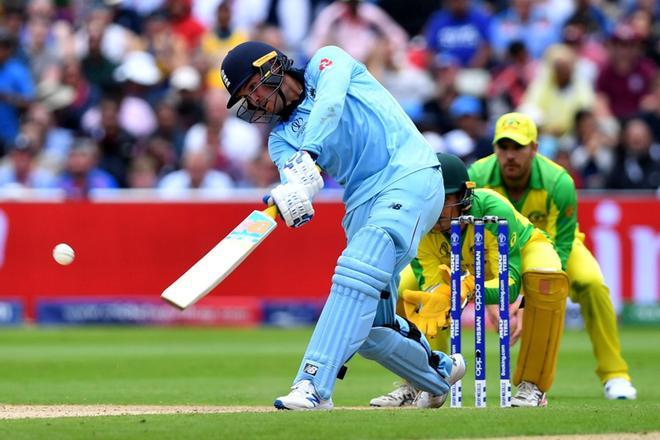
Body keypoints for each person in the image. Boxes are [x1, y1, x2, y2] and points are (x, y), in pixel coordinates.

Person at [220, 41, 464, 410]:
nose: (253, 104)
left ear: (272, 69)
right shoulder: (281, 139)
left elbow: (330, 105)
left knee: (354, 272)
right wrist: (291, 198)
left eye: (252, 90)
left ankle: (312, 385)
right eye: (245, 100)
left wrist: (310, 155)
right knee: (369, 327)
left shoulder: (327, 62)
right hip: (362, 203)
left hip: (408, 173)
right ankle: (437, 372)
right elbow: (301, 185)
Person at [371, 153, 569, 408]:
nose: (434, 208)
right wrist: (442, 297)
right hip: (463, 265)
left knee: (547, 280)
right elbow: (435, 289)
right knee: (404, 289)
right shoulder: (420, 224)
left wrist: (470, 289)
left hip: (524, 249)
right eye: (428, 199)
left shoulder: (493, 211)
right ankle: (424, 379)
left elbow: (509, 284)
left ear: (464, 197)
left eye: (443, 199)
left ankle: (534, 386)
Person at [468, 112, 637, 400]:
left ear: (534, 148)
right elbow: (474, 243)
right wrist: (493, 300)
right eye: (503, 147)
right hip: (498, 251)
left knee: (592, 282)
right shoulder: (477, 177)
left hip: (552, 249)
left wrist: (522, 301)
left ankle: (615, 375)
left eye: (518, 148)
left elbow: (559, 250)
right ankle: (430, 378)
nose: (510, 156)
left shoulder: (559, 182)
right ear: (494, 148)